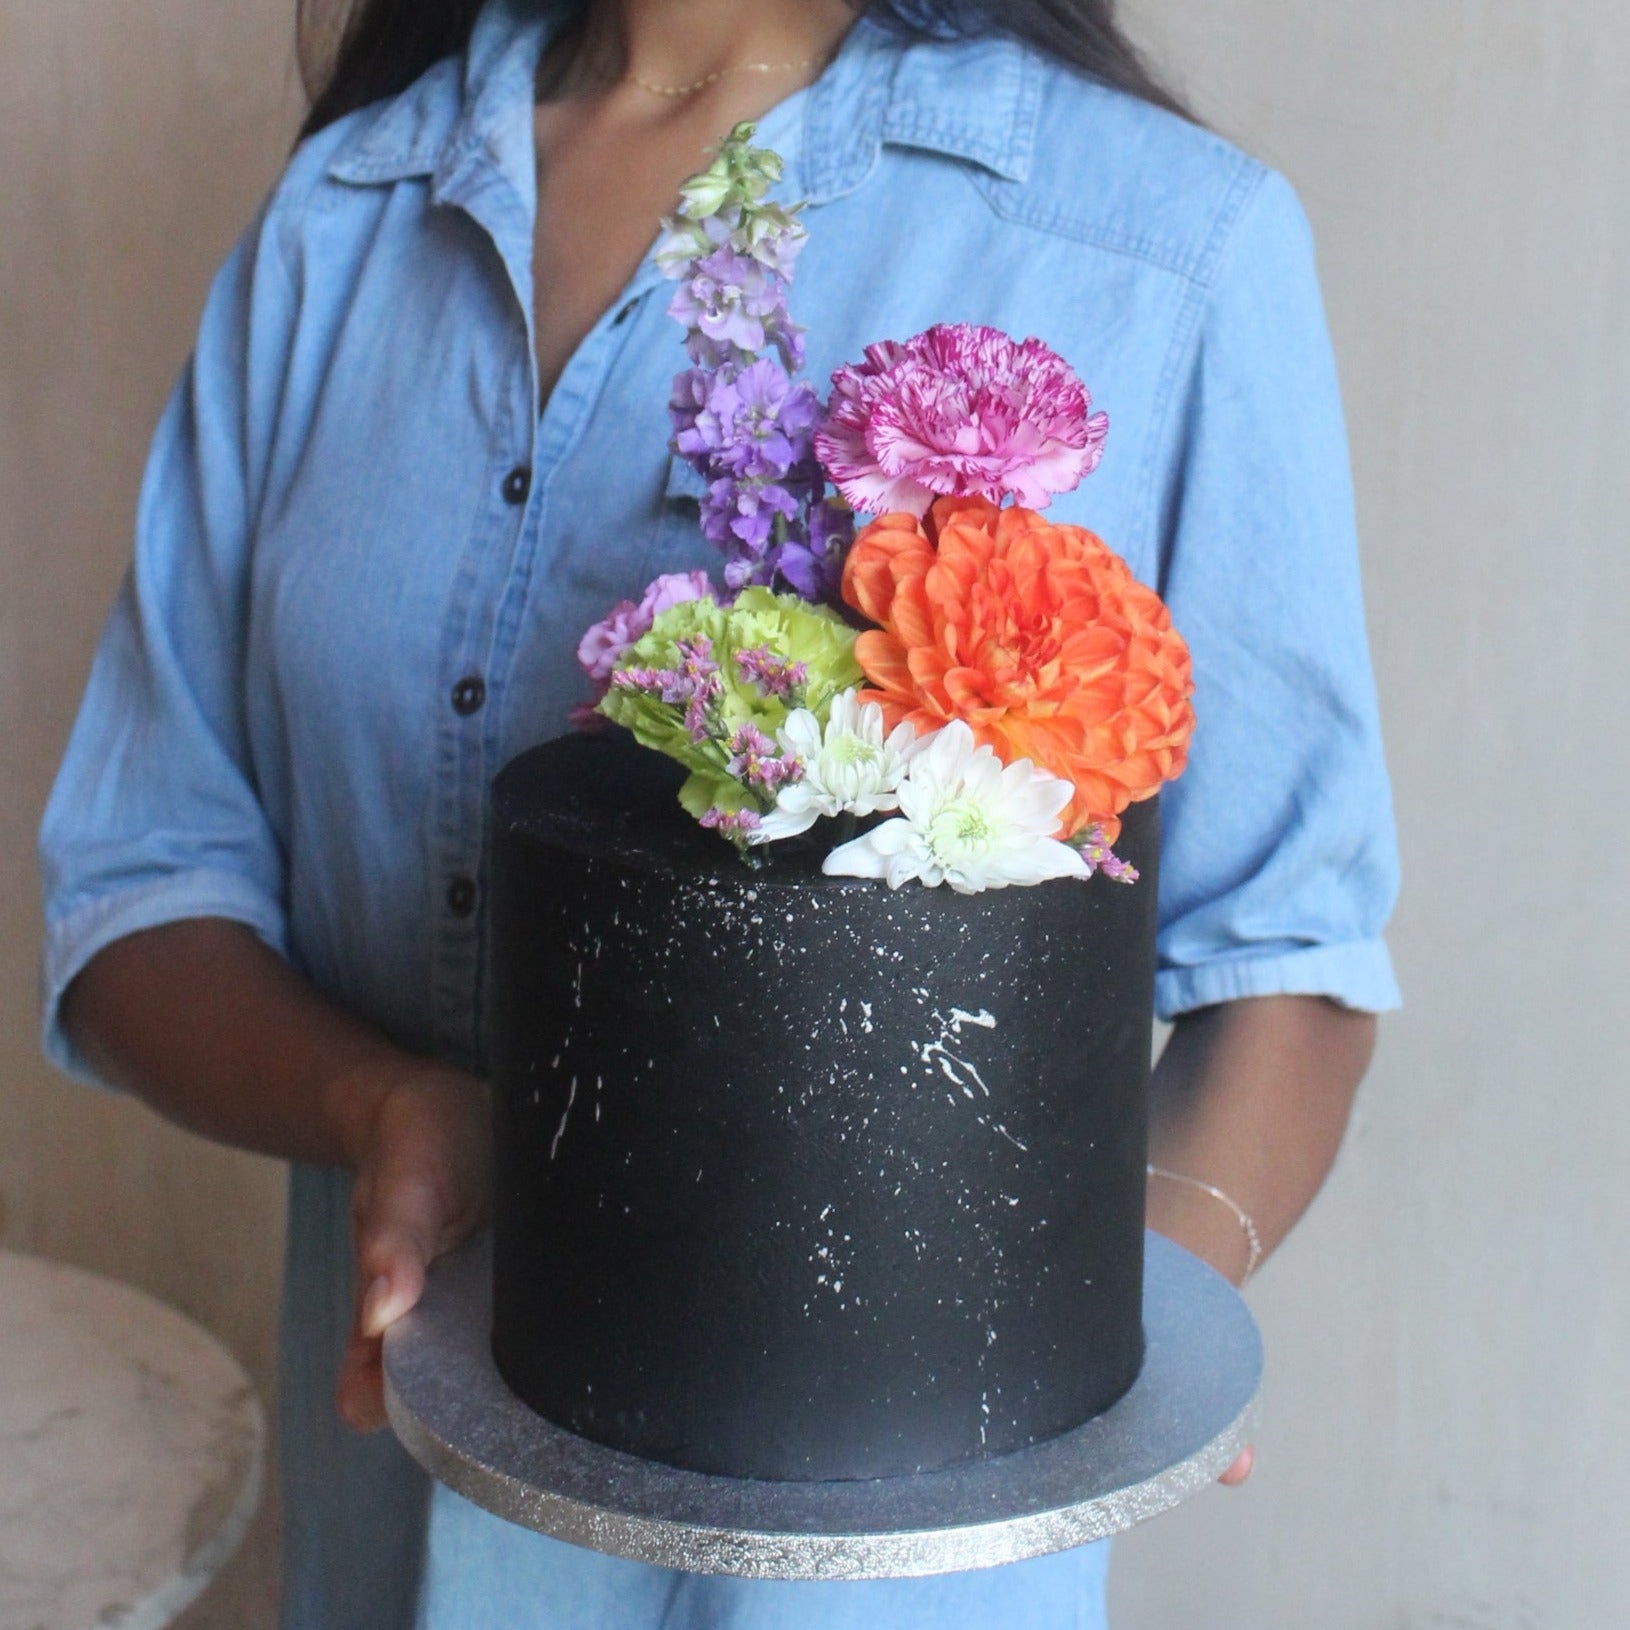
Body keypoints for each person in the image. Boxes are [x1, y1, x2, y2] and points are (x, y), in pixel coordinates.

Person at [38, 0, 1400, 1624]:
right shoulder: (337, 228)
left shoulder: (1158, 248)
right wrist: (379, 1103)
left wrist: (1092, 1335)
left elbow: (1287, 963)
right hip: (394, 1509)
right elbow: (134, 886)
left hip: (895, 1565)